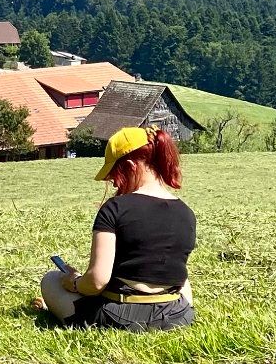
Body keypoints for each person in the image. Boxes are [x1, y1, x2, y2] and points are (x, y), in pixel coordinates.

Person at [37, 126, 196, 331]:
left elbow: (97, 282)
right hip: (177, 316)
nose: (114, 185)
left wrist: (74, 282)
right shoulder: (186, 212)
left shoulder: (115, 208)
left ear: (130, 166)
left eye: (115, 176)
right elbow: (181, 276)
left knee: (50, 280)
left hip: (119, 317)